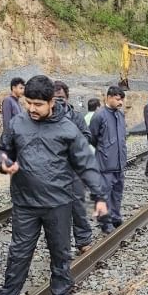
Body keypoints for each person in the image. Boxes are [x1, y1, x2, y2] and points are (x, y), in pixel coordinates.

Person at [0, 75, 108, 295]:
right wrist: (3, 163)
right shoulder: (17, 123)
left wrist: (99, 195)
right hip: (25, 202)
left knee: (60, 253)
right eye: (29, 103)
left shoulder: (68, 128)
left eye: (38, 104)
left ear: (51, 102)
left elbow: (86, 164)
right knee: (19, 252)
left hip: (58, 203)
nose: (32, 109)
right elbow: (3, 149)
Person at [53, 80, 95, 252]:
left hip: (74, 169)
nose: (59, 101)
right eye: (55, 98)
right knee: (56, 210)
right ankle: (59, 246)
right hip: (54, 171)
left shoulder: (76, 117)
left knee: (78, 205)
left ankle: (83, 240)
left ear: (67, 97)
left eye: (61, 97)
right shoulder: (46, 119)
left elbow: (87, 136)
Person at [88, 85, 127, 234]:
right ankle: (105, 223)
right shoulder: (99, 116)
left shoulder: (120, 115)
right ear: (109, 97)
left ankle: (115, 217)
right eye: (118, 99)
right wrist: (105, 150)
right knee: (103, 195)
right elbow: (92, 138)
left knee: (117, 193)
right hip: (104, 164)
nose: (120, 103)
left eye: (122, 100)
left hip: (119, 163)